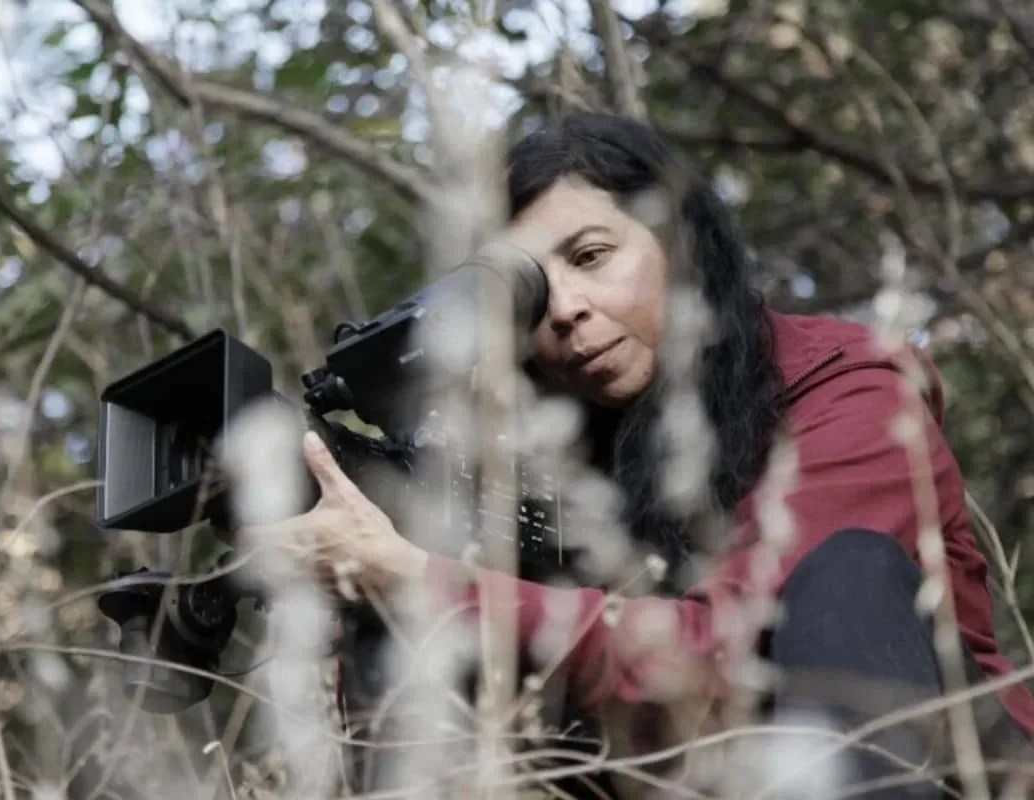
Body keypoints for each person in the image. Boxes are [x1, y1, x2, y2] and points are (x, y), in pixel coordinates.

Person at [236, 112, 1034, 797]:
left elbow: (728, 658)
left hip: (957, 772)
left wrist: (422, 578)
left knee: (845, 573)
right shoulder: (554, 474)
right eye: (532, 295)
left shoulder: (849, 383)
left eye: (589, 258)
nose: (568, 312)